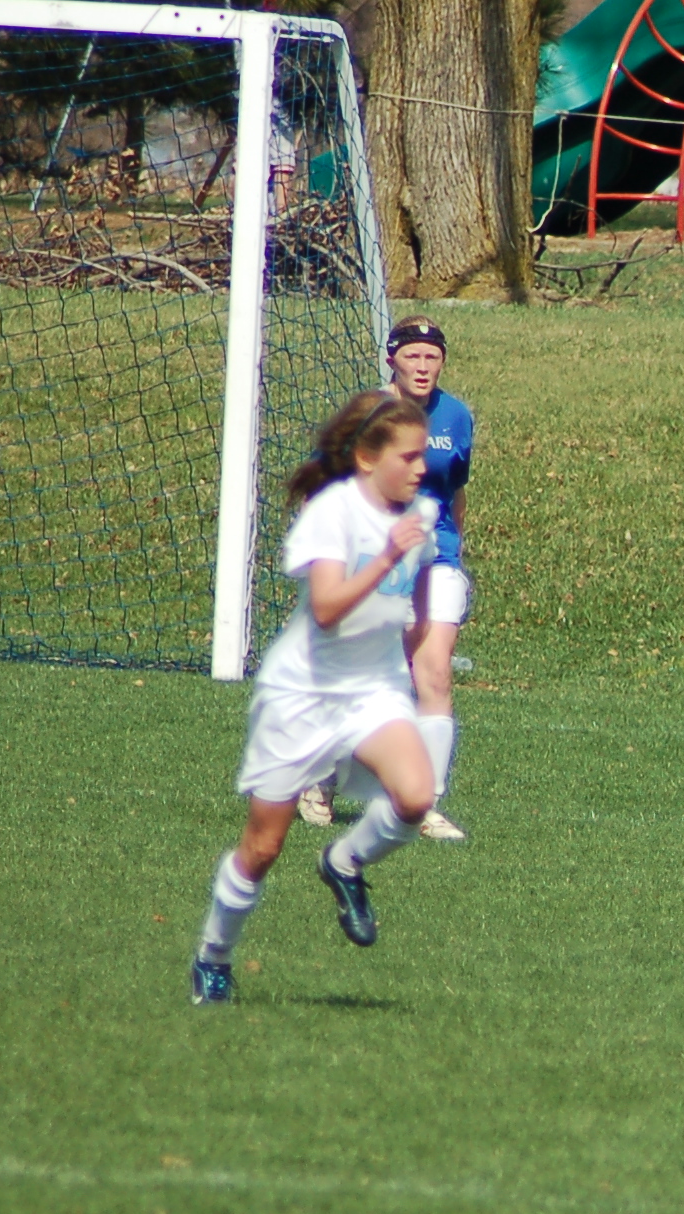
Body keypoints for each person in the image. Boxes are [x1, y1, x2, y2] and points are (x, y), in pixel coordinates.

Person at [189, 390, 440, 1003]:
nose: (420, 468)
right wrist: (388, 554)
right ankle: (213, 957)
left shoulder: (422, 516)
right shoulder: (333, 513)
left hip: (373, 689)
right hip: (302, 694)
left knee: (416, 796)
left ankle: (344, 862)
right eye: (407, 457)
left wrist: (415, 633)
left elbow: (419, 589)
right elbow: (326, 610)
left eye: (422, 456)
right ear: (367, 458)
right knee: (263, 847)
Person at [301, 315, 471, 839]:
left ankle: (424, 804)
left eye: (432, 356)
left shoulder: (457, 416)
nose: (422, 366)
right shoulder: (367, 413)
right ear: (391, 359)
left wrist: (453, 551)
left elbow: (455, 491)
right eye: (412, 355)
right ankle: (322, 778)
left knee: (433, 672)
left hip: (435, 558)